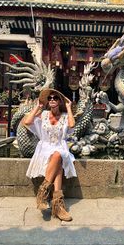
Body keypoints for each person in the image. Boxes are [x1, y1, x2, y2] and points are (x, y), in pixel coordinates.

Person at [23, 88, 77, 222]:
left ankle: (43, 192)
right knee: (58, 158)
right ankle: (58, 205)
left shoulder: (64, 116)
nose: (52, 100)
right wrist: (37, 107)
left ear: (60, 101)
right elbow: (27, 122)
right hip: (45, 147)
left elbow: (72, 125)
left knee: (58, 154)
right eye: (50, 98)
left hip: (59, 146)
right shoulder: (44, 114)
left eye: (55, 98)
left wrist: (69, 108)